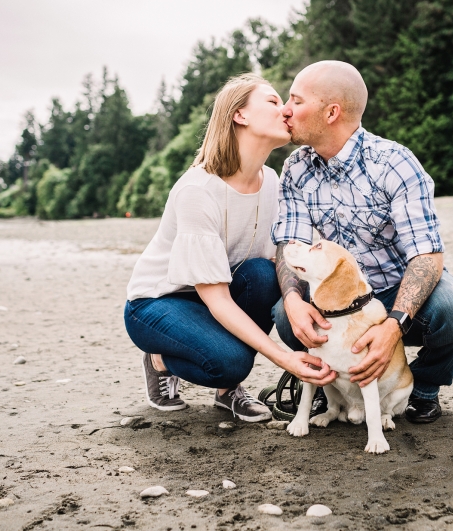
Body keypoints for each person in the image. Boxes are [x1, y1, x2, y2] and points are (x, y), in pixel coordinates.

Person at [271, 61, 453, 423]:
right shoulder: (295, 167)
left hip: (400, 292)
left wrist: (392, 326)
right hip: (340, 297)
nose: (285, 110)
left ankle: (422, 388)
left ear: (331, 112)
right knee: (285, 317)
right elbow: (290, 243)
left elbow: (426, 256)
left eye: (296, 100)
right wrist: (292, 299)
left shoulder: (394, 163)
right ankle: (329, 383)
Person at [124, 74, 337, 422]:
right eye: (272, 101)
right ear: (240, 115)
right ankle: (158, 358)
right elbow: (218, 298)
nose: (285, 109)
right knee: (230, 362)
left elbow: (277, 258)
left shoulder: (273, 182)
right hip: (157, 303)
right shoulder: (198, 190)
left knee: (265, 273)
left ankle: (228, 395)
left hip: (216, 293)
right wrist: (286, 358)